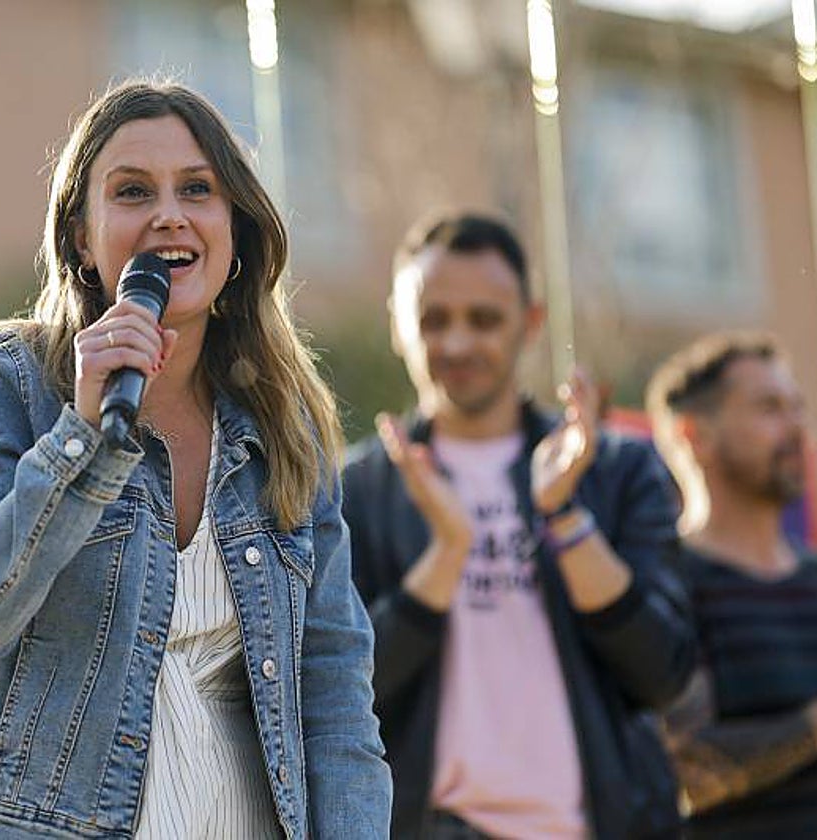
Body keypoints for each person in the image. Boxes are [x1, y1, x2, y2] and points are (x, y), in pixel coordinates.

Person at [0, 79, 390, 840]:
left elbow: (333, 690)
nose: (169, 214)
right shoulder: (7, 381)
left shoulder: (282, 422)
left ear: (234, 230)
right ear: (81, 237)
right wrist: (80, 438)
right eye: (132, 191)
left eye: (197, 189)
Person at [341, 213, 696, 839]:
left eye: (484, 319)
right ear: (398, 324)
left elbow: (663, 674)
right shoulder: (357, 490)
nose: (457, 343)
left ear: (530, 322)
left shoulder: (616, 469)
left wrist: (563, 515)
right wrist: (448, 552)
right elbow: (341, 694)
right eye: (433, 319)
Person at [648, 332, 817, 836]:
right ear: (694, 436)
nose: (797, 428)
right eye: (769, 408)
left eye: (797, 407)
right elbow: (688, 773)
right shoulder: (664, 582)